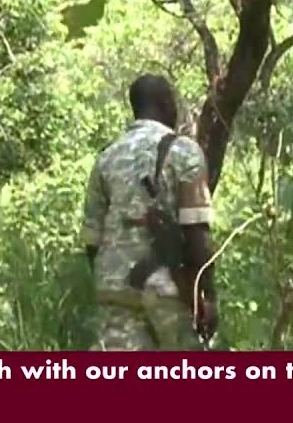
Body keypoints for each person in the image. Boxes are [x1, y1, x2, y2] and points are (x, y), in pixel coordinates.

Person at [81, 74, 219, 350]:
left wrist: (111, 277)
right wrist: (206, 296)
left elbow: (91, 240)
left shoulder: (106, 157)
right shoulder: (185, 152)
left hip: (115, 290)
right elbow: (196, 232)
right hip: (168, 291)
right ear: (166, 104)